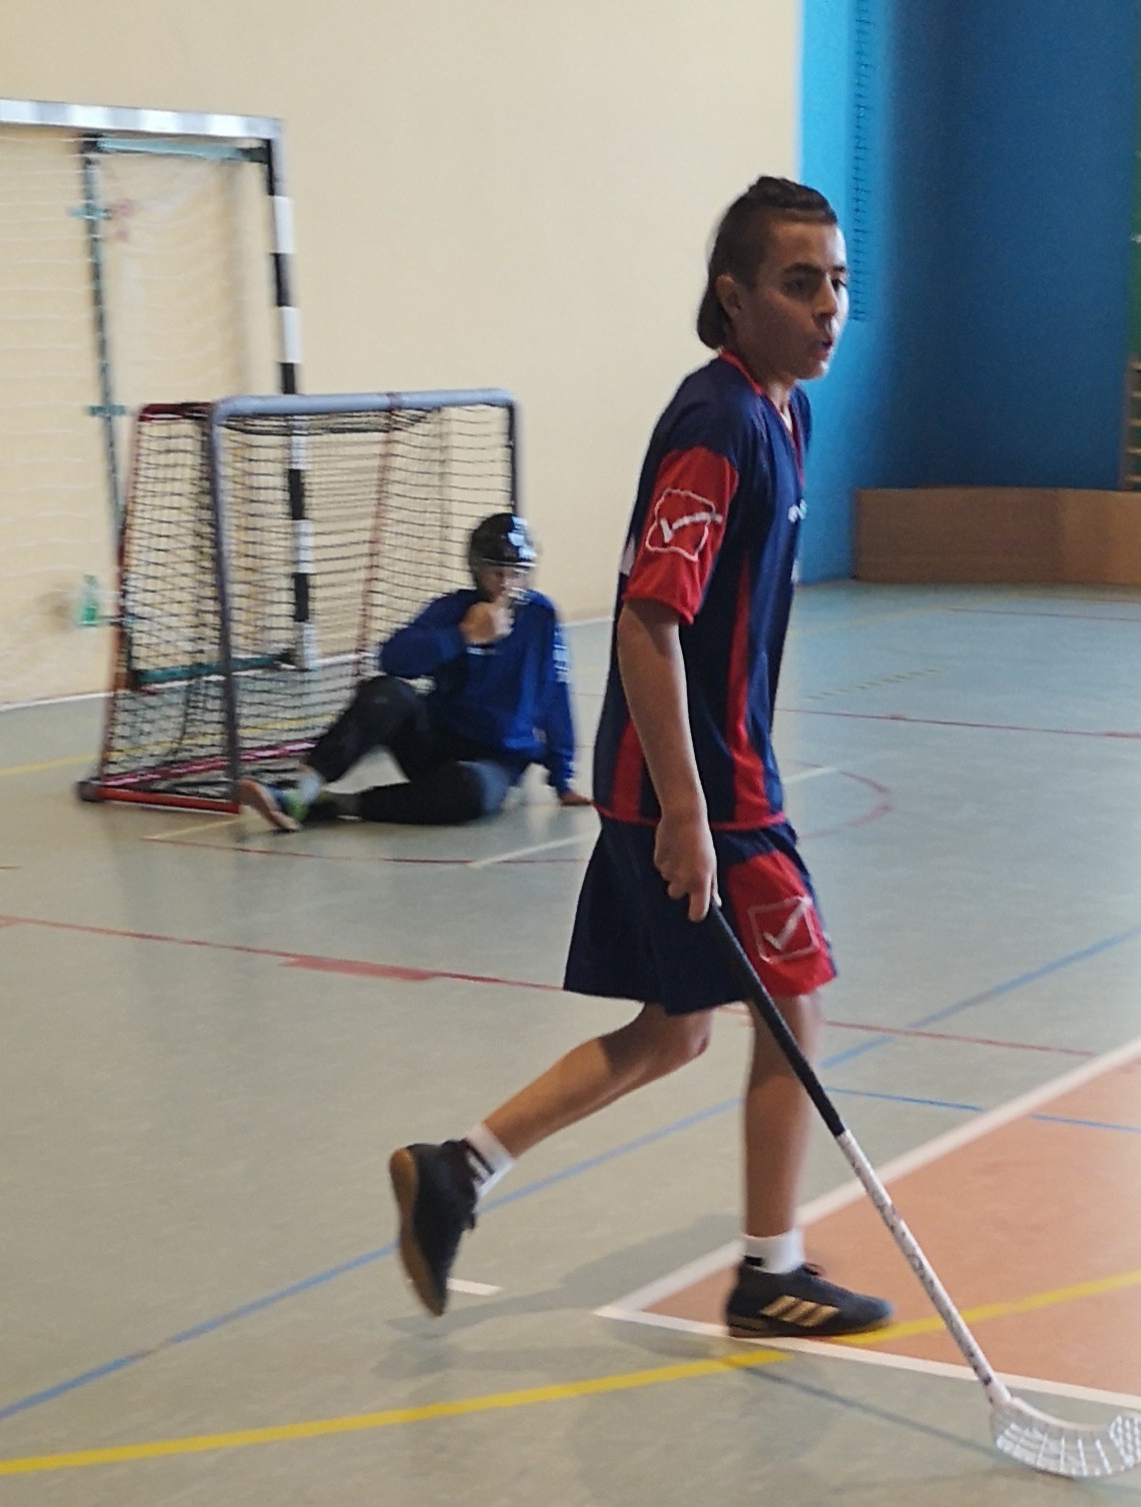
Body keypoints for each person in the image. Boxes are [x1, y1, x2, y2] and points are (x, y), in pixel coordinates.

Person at [388, 177, 893, 1338]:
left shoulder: (783, 414)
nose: (828, 306)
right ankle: (770, 1272)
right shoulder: (719, 426)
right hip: (705, 789)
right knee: (796, 1003)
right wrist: (687, 812)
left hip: (701, 775)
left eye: (837, 281)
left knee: (677, 1026)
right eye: (799, 282)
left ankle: (457, 1169)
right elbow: (646, 622)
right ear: (734, 296)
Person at [236, 513, 590, 830]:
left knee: (470, 792)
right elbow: (392, 659)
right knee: (386, 692)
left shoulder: (541, 618)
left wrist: (563, 778)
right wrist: (463, 635)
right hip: (437, 741)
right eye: (496, 573)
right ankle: (301, 792)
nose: (507, 584)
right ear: (476, 570)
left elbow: (556, 693)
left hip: (495, 759)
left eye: (517, 574)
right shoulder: (453, 609)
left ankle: (338, 805)